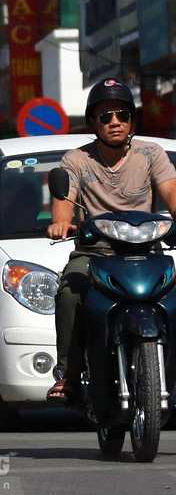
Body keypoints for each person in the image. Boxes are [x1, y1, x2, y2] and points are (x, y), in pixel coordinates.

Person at [46, 78, 176, 404]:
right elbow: (64, 197)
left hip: (146, 252)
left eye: (122, 115)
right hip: (96, 252)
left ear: (132, 120)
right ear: (94, 123)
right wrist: (61, 221)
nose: (114, 122)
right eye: (105, 117)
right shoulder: (76, 160)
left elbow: (171, 190)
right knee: (69, 292)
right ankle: (70, 373)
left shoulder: (151, 153)